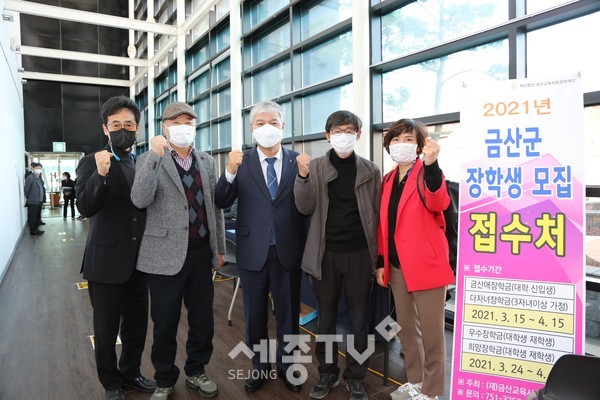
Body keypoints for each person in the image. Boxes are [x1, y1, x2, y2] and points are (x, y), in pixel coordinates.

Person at [130, 102, 226, 400]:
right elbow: (139, 199)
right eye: (176, 121)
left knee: (202, 320)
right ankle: (165, 377)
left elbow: (215, 208)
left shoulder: (207, 161)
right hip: (162, 256)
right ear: (164, 127)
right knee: (165, 321)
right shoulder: (150, 158)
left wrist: (218, 248)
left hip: (200, 254)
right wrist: (155, 157)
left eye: (188, 120)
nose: (183, 125)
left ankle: (196, 370)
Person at [214, 100, 307, 393]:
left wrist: (305, 177)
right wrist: (228, 170)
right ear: (252, 129)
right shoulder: (241, 163)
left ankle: (287, 364)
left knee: (288, 313)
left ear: (283, 127)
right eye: (260, 123)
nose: (267, 128)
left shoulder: (298, 161)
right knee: (254, 315)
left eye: (273, 123)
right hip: (252, 250)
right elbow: (221, 200)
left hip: (287, 250)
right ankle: (260, 365)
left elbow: (307, 206)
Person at [294, 110, 381, 400]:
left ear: (358, 135)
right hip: (325, 253)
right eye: (338, 130)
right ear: (327, 135)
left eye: (350, 130)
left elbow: (378, 216)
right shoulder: (316, 167)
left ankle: (356, 376)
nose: (344, 135)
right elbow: (304, 207)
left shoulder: (370, 170)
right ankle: (328, 372)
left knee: (360, 320)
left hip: (359, 254)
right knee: (327, 318)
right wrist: (303, 176)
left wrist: (378, 258)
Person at [76, 95, 156, 400]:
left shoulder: (142, 162)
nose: (123, 130)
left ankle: (132, 372)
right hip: (106, 262)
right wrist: (101, 175)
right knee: (107, 330)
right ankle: (111, 383)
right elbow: (85, 205)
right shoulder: (92, 161)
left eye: (129, 125)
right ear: (105, 129)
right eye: (116, 125)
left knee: (136, 326)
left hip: (140, 263)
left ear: (137, 129)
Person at [375, 119, 454, 400]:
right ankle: (416, 381)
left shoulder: (428, 173)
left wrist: (432, 165)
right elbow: (383, 226)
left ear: (419, 145)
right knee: (407, 330)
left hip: (426, 264)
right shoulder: (388, 178)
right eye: (395, 140)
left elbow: (438, 202)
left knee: (432, 335)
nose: (401, 145)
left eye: (408, 139)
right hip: (396, 266)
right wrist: (381, 263)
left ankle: (431, 392)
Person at [23, 162, 46, 235]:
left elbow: (42, 186)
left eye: (40, 168)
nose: (38, 170)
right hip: (33, 201)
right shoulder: (30, 178)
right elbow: (26, 190)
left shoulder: (39, 177)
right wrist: (30, 198)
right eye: (37, 168)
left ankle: (36, 229)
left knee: (37, 216)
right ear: (33, 169)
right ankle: (33, 230)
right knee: (32, 216)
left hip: (39, 200)